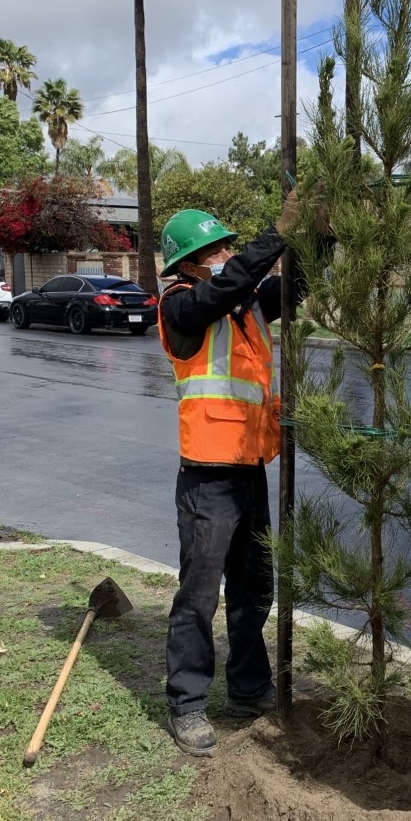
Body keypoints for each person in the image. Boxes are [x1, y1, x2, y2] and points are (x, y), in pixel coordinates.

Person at [157, 195, 301, 757]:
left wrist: (318, 235)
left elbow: (293, 285)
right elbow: (227, 286)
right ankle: (187, 704)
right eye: (216, 249)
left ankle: (248, 688)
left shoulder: (244, 306)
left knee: (253, 588)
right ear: (191, 263)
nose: (228, 254)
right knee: (199, 596)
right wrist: (275, 233)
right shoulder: (182, 305)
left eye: (228, 247)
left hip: (248, 469)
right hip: (207, 478)